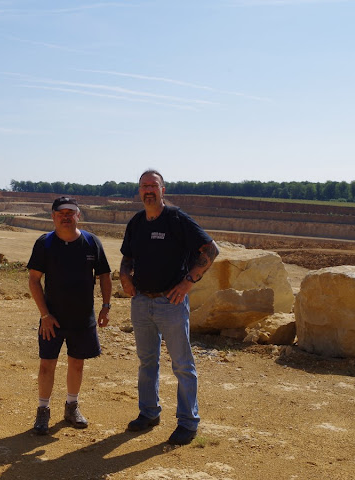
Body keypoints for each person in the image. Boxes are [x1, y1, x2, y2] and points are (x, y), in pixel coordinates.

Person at [120, 169, 219, 446]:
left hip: (171, 302)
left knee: (182, 365)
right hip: (142, 302)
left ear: (163, 189)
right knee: (146, 362)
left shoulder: (177, 220)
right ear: (139, 191)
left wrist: (188, 283)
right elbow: (128, 257)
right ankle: (148, 413)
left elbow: (210, 250)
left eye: (153, 185)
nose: (148, 190)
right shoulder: (137, 222)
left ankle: (188, 423)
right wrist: (125, 276)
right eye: (144, 186)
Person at [27, 196, 112, 435]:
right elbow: (34, 280)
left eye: (70, 212)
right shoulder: (45, 243)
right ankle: (43, 411)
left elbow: (105, 275)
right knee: (46, 365)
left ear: (78, 215)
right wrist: (45, 315)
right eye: (61, 213)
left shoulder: (91, 242)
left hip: (83, 319)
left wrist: (106, 306)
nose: (66, 216)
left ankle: (72, 407)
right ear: (53, 217)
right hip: (51, 319)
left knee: (77, 365)